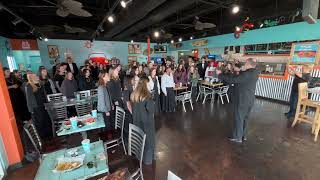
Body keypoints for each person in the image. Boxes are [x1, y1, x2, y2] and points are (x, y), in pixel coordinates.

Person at [217, 58, 259, 143]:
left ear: (248, 64)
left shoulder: (246, 74)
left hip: (242, 100)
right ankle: (243, 135)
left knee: (239, 118)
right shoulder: (255, 72)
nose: (244, 64)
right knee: (245, 118)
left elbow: (233, 80)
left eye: (245, 63)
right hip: (250, 99)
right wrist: (241, 70)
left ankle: (237, 137)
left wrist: (220, 74)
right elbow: (242, 76)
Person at [130, 76, 155, 165]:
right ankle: (148, 160)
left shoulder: (134, 94)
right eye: (148, 84)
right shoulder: (147, 96)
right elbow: (152, 110)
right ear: (145, 84)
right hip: (146, 122)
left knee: (139, 139)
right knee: (148, 140)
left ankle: (139, 156)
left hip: (137, 121)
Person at [25, 73, 52, 138]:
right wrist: (30, 109)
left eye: (36, 75)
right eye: (35, 76)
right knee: (40, 121)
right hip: (36, 106)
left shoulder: (40, 84)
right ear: (31, 78)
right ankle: (42, 136)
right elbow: (29, 98)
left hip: (43, 105)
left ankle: (49, 134)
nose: (37, 76)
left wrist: (47, 103)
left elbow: (44, 95)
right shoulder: (29, 86)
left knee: (46, 119)